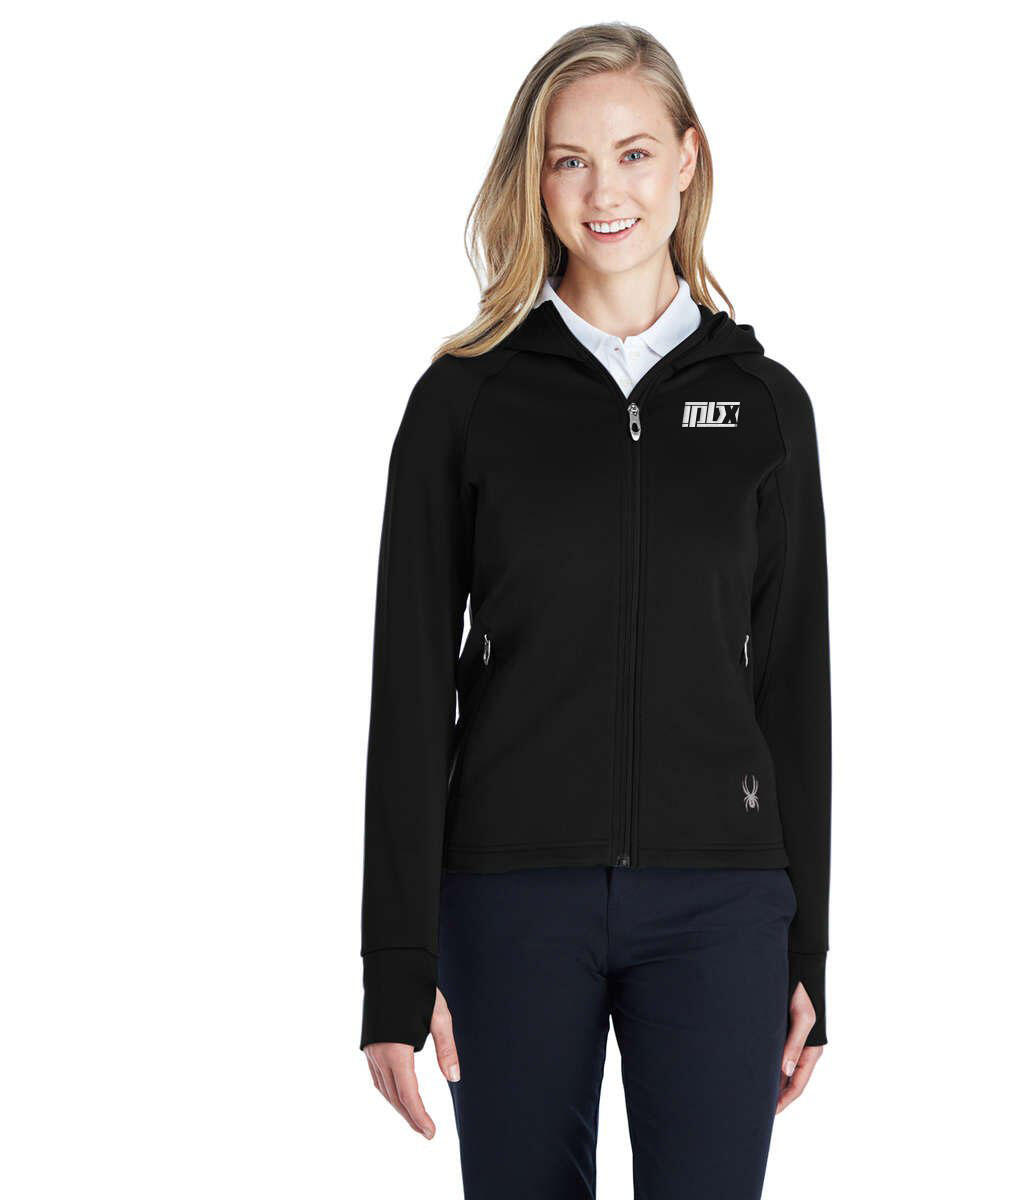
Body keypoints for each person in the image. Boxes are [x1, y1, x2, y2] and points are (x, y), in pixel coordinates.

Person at [360, 21, 832, 1199]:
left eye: (632, 154)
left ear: (687, 159)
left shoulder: (765, 407)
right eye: (569, 160)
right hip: (509, 899)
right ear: (536, 179)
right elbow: (408, 689)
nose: (603, 191)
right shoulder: (463, 402)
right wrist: (396, 961)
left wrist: (809, 948)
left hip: (721, 905)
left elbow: (794, 686)